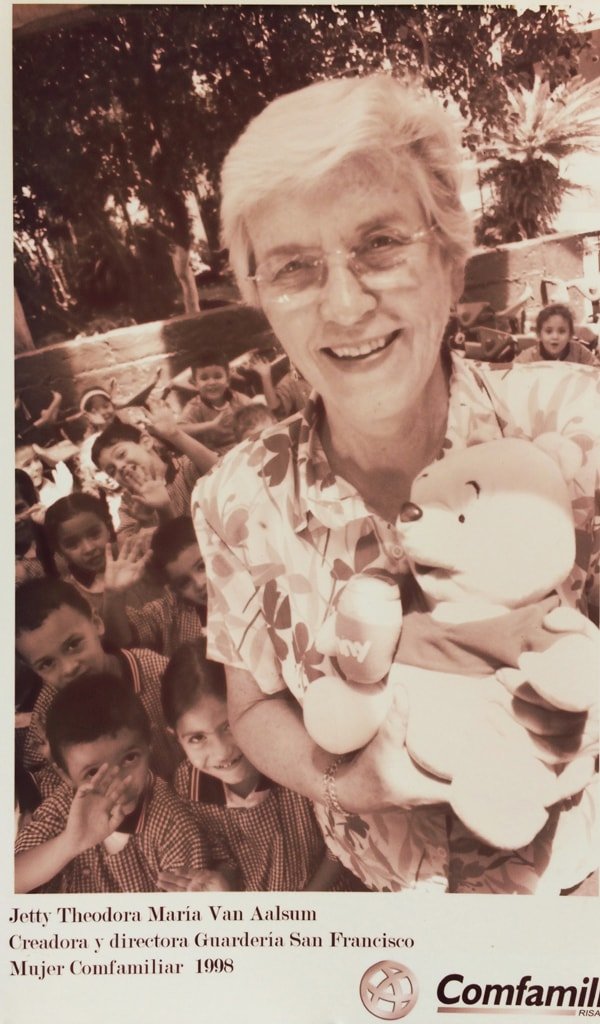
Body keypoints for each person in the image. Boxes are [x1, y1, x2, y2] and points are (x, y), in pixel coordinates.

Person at [192, 74, 599, 894]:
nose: (345, 305)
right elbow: (251, 708)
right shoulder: (236, 499)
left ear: (451, 260)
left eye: (380, 244)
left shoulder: (574, 424)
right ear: (261, 299)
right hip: (395, 910)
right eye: (295, 267)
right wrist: (350, 783)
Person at [159, 640, 348, 892]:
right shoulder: (187, 786)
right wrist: (221, 882)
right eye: (197, 738)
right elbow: (224, 857)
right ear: (176, 738)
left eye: (229, 726)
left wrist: (301, 905)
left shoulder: (296, 755)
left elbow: (339, 847)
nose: (222, 751)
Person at [15, 674, 227, 893]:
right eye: (93, 772)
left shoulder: (173, 824)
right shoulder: (61, 807)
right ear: (66, 775)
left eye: (129, 758)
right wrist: (71, 842)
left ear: (149, 743)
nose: (118, 782)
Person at [16, 579, 177, 792]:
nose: (69, 668)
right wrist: (58, 761)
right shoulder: (47, 710)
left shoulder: (159, 674)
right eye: (47, 664)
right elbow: (41, 775)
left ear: (96, 623)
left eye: (73, 644)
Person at [91, 403, 216, 542]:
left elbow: (221, 470)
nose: (120, 467)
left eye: (121, 454)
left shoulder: (186, 467)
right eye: (111, 470)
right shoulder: (129, 506)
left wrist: (175, 434)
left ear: (146, 442)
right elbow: (127, 546)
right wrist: (145, 522)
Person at [104, 516, 207, 657]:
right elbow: (121, 640)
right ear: (174, 589)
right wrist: (114, 594)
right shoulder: (171, 611)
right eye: (184, 582)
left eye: (202, 566)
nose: (200, 583)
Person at [43, 492, 155, 617]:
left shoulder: (130, 548)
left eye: (94, 534)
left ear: (108, 527)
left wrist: (148, 521)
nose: (89, 549)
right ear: (60, 551)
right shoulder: (71, 598)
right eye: (72, 544)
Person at [176, 348, 252, 454]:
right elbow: (179, 429)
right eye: (204, 378)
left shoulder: (236, 398)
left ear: (227, 380)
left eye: (217, 376)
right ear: (195, 384)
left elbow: (257, 410)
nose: (212, 382)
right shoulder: (195, 406)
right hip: (216, 455)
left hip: (243, 446)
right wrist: (211, 425)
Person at [515, 304, 597, 366]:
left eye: (561, 331)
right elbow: (513, 372)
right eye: (548, 331)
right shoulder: (530, 357)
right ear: (539, 335)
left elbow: (596, 370)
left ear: (570, 335)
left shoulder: (579, 352)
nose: (555, 337)